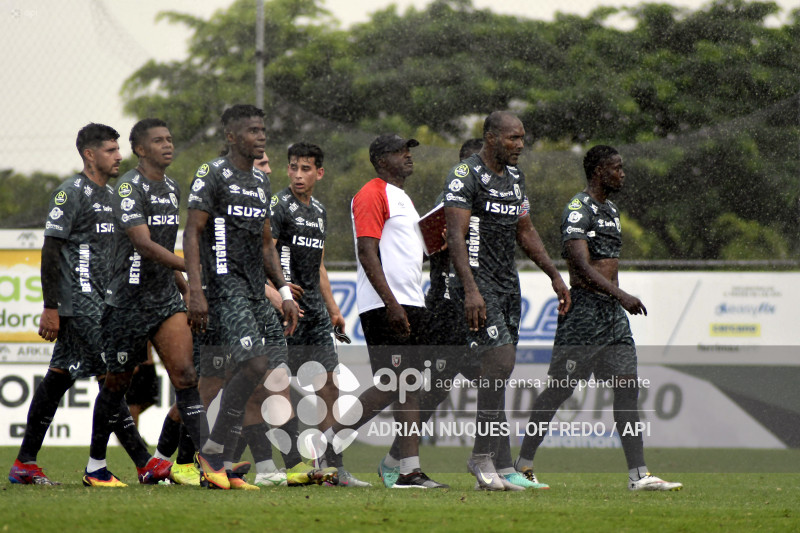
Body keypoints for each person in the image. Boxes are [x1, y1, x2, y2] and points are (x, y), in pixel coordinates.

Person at [515, 145, 683, 492]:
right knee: (557, 393)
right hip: (585, 315)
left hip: (612, 318)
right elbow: (579, 265)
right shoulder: (578, 209)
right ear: (598, 171)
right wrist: (621, 295)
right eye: (617, 168)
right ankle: (523, 465)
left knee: (626, 389)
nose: (623, 174)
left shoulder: (612, 209)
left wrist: (616, 301)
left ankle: (639, 475)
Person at [443, 111, 570, 490]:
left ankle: (497, 466)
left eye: (523, 138)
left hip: (507, 285)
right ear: (492, 137)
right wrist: (470, 289)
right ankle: (481, 459)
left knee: (495, 373)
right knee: (499, 362)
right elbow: (454, 236)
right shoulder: (466, 175)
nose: (520, 145)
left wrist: (553, 274)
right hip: (478, 284)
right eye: (514, 138)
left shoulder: (515, 178)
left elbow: (525, 230)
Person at [83, 118, 211, 488]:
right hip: (127, 302)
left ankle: (210, 465)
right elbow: (142, 244)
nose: (168, 145)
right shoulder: (127, 187)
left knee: (186, 377)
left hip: (163, 301)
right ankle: (95, 466)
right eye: (158, 141)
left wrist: (185, 287)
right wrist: (191, 265)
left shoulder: (172, 187)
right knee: (116, 385)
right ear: (141, 149)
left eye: (170, 139)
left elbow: (164, 249)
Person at [184, 104, 299, 490]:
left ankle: (220, 458)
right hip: (223, 285)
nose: (261, 136)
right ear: (231, 136)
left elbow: (267, 243)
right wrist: (196, 291)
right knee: (251, 364)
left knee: (258, 371)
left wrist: (282, 291)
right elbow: (192, 232)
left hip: (254, 288)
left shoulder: (262, 182)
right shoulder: (212, 174)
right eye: (252, 130)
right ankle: (214, 452)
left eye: (263, 129)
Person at [323, 133, 448, 489]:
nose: (408, 156)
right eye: (399, 152)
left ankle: (408, 470)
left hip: (411, 300)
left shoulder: (404, 198)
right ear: (380, 160)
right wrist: (391, 303)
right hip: (385, 303)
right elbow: (366, 251)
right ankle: (328, 444)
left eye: (408, 151)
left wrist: (438, 240)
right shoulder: (371, 192)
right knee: (392, 383)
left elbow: (410, 252)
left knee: (409, 386)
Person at [8, 123, 121, 486]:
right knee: (114, 377)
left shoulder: (114, 195)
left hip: (102, 302)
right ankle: (134, 464)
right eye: (110, 150)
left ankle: (25, 462)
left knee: (57, 380)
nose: (118, 155)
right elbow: (51, 250)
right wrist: (51, 306)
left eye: (118, 149)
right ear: (90, 154)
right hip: (79, 301)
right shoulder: (71, 192)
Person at [266, 142, 369, 487]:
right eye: (293, 167)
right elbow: (263, 257)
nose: (298, 175)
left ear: (319, 173)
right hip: (285, 311)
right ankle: (290, 464)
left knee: (330, 389)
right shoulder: (278, 206)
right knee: (274, 388)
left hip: (316, 314)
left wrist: (334, 308)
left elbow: (320, 264)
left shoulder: (320, 211)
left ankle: (333, 467)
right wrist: (279, 294)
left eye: (306, 169)